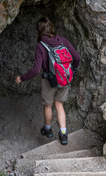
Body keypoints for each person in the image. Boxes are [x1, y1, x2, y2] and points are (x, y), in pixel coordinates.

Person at [15, 17, 81, 145]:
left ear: (39, 31)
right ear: (51, 28)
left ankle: (48, 129)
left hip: (48, 80)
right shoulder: (62, 40)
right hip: (64, 79)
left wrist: (21, 78)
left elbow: (35, 70)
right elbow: (77, 57)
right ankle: (63, 134)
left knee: (48, 105)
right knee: (59, 105)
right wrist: (71, 71)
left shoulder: (41, 46)